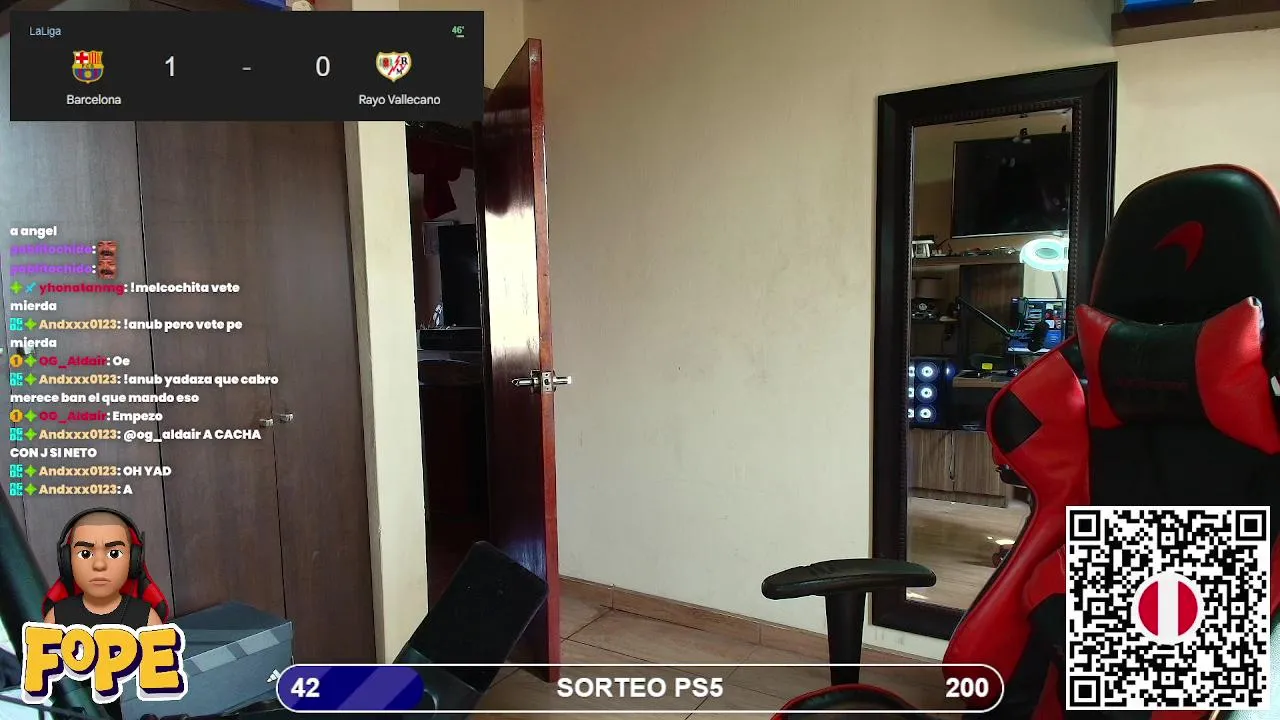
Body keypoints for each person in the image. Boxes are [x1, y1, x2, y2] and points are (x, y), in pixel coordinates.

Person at [43, 511, 162, 629]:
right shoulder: (56, 618)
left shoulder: (147, 618)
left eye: (114, 554)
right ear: (67, 561)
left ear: (134, 560)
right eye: (85, 554)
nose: (99, 565)